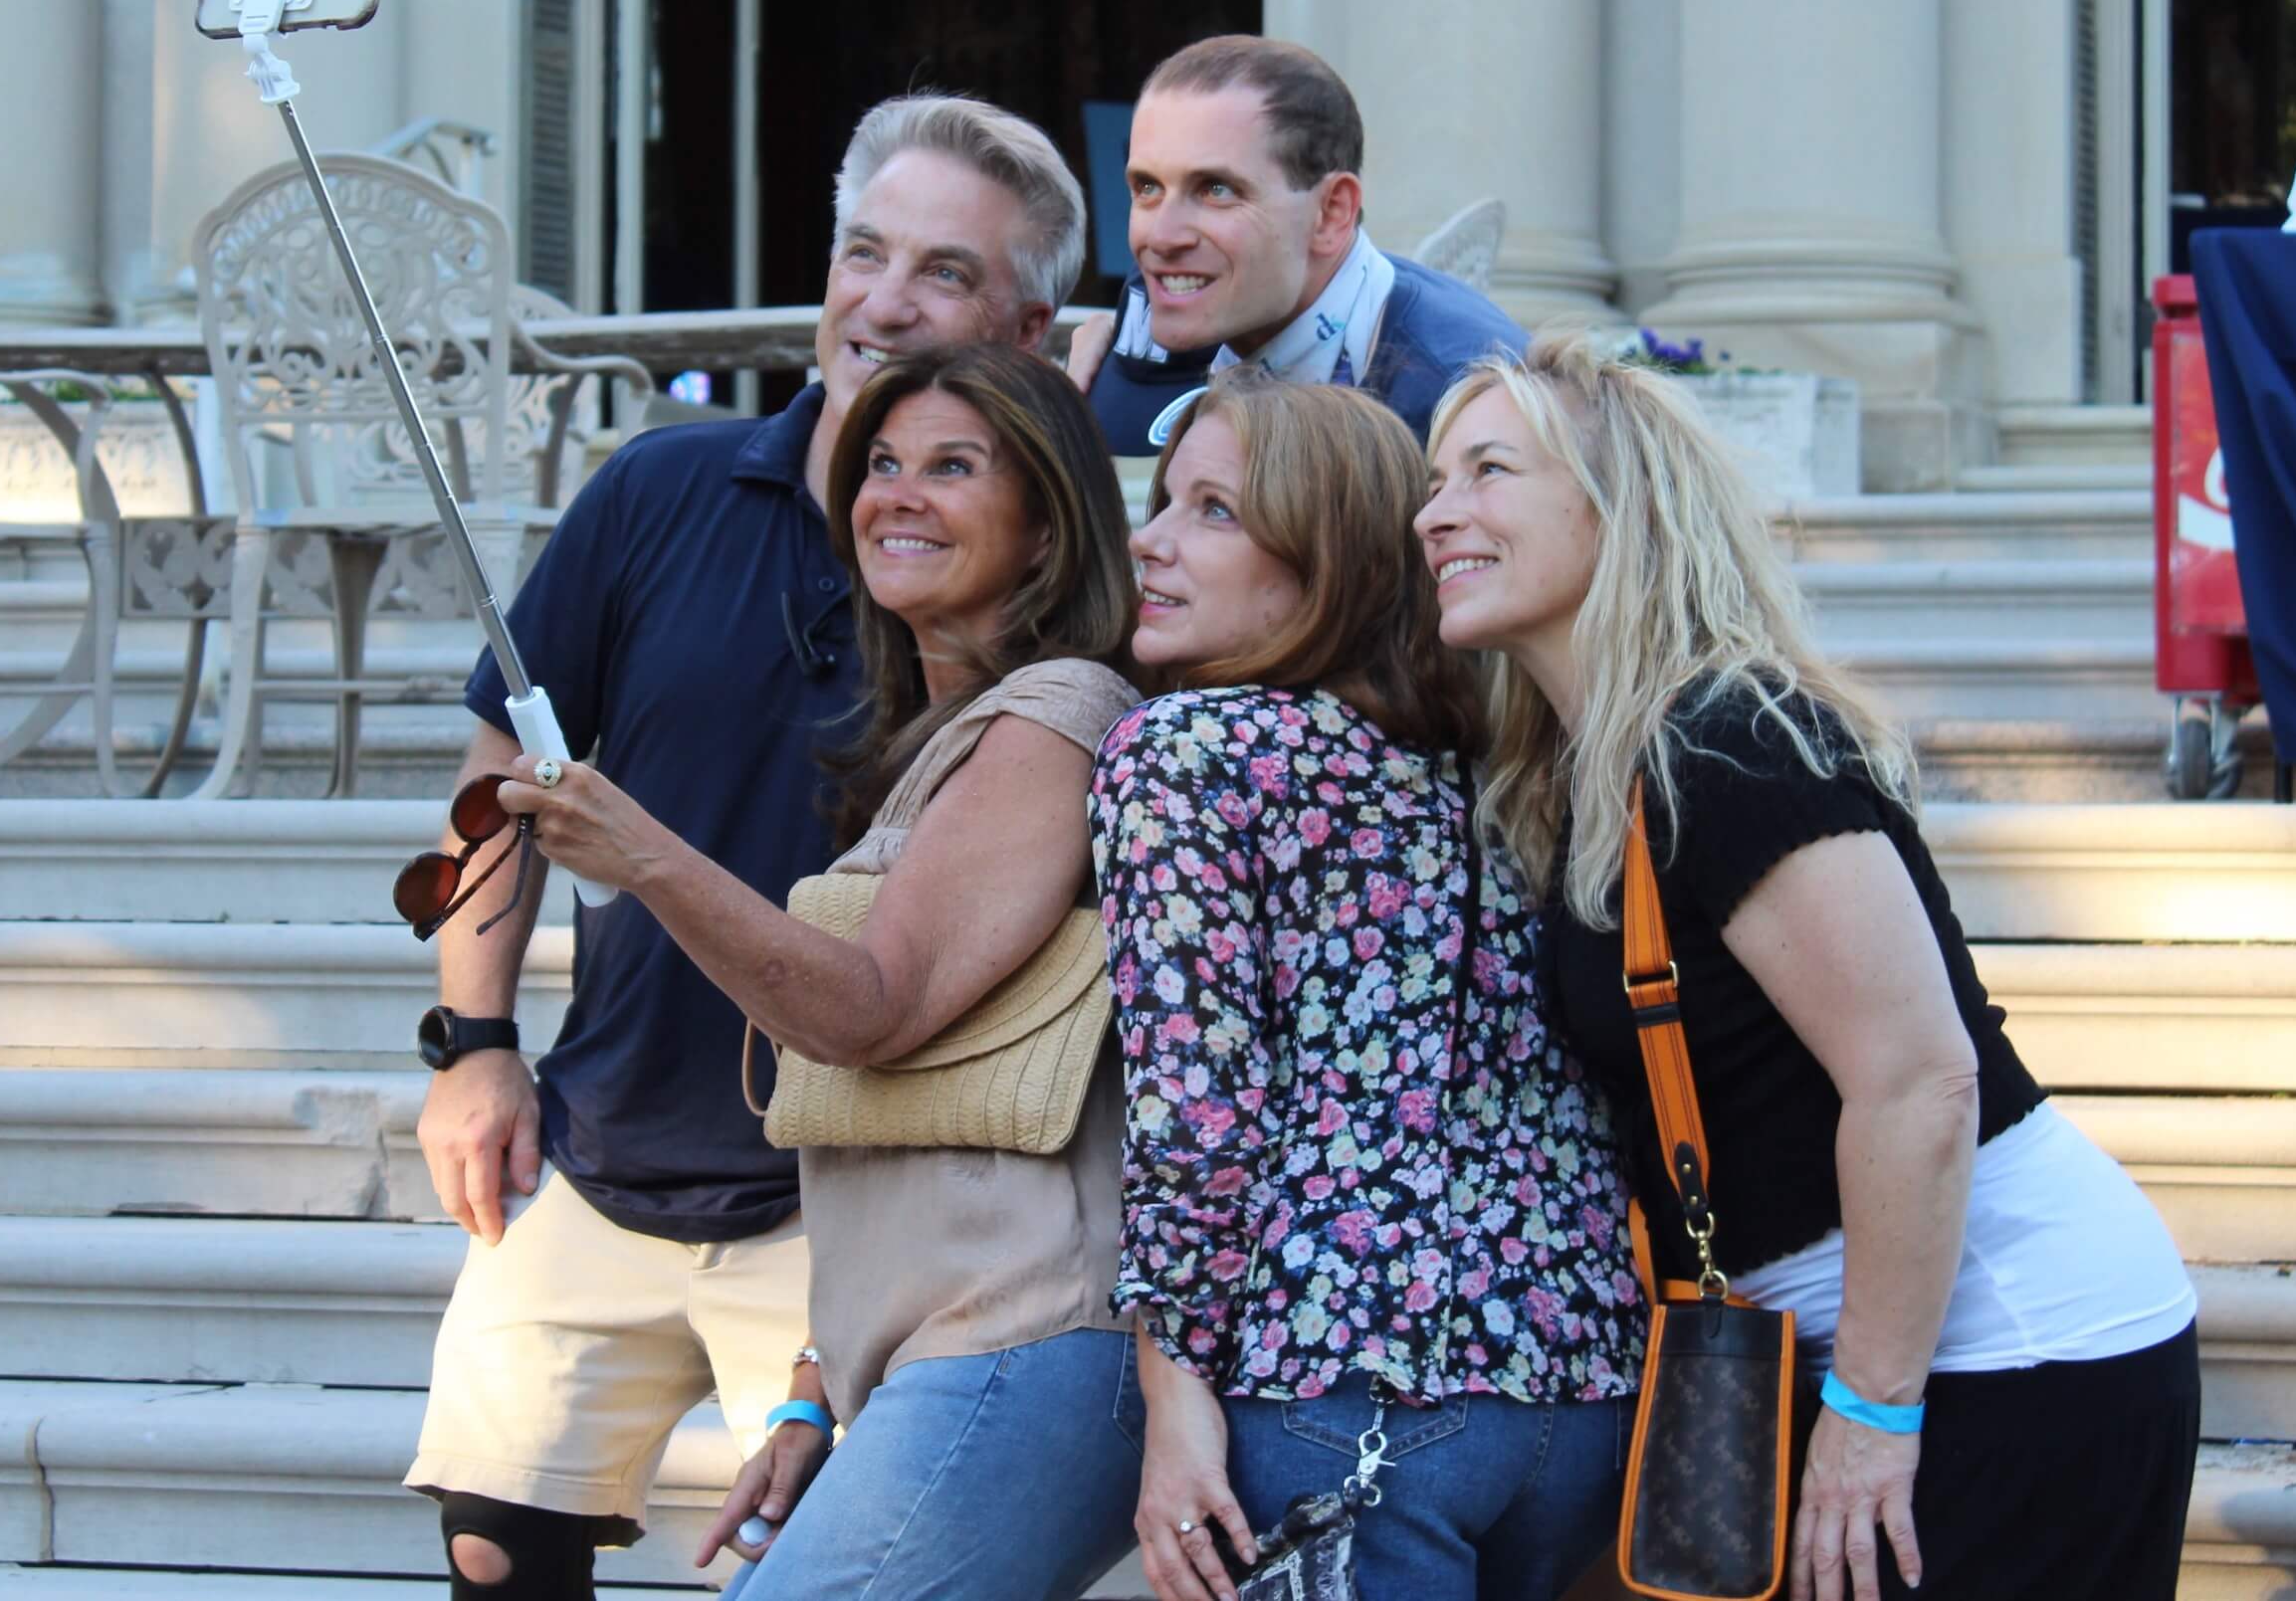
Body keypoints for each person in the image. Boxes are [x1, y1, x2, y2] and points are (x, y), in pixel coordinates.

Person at [404, 96, 1091, 1601]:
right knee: (487, 1548)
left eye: (945, 275)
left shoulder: (1026, 590)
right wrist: (469, 1039)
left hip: (843, 1191)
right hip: (597, 1148)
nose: (885, 301)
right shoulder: (657, 488)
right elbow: (500, 774)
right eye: (864, 252)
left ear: (1033, 329)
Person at [1416, 331, 2201, 1601]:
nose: (1436, 512)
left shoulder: (1730, 744)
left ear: (1623, 504)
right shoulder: (1585, 772)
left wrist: (1876, 1410)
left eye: (1488, 471)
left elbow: (1918, 1082)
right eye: (1433, 480)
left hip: (2008, 1351)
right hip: (1836, 1345)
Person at [499, 342, 1149, 1601]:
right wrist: (812, 1389)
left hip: (1024, 1335)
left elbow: (869, 1012)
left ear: (1046, 525)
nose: (897, 494)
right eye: (883, 465)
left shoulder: (1058, 711)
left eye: (953, 467)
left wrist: (642, 856)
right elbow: (901, 1139)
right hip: (925, 1351)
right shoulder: (938, 739)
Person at [1092, 372, 1641, 1601]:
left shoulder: (1188, 753)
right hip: (1582, 1398)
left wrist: (1174, 1404)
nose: (1152, 539)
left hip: (1345, 1396)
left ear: (1327, 562)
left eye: (1214, 511)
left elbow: (1199, 1117)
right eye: (1164, 501)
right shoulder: (1498, 763)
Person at [1070, 35, 1526, 456]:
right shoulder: (1199, 306)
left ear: (1331, 213)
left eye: (1216, 190)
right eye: (1147, 187)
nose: (1162, 237)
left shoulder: (1468, 403)